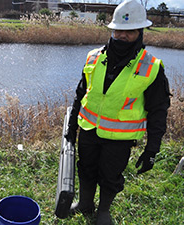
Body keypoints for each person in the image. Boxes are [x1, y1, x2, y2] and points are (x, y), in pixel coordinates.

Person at [65, 0, 171, 224]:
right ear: (112, 30)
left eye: (129, 32)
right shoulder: (94, 57)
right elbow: (81, 92)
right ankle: (85, 204)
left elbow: (158, 110)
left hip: (119, 138)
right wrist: (72, 124)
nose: (122, 36)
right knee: (85, 167)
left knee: (110, 176)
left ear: (140, 32)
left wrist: (152, 149)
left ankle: (103, 212)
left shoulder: (152, 67)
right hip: (89, 128)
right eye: (118, 31)